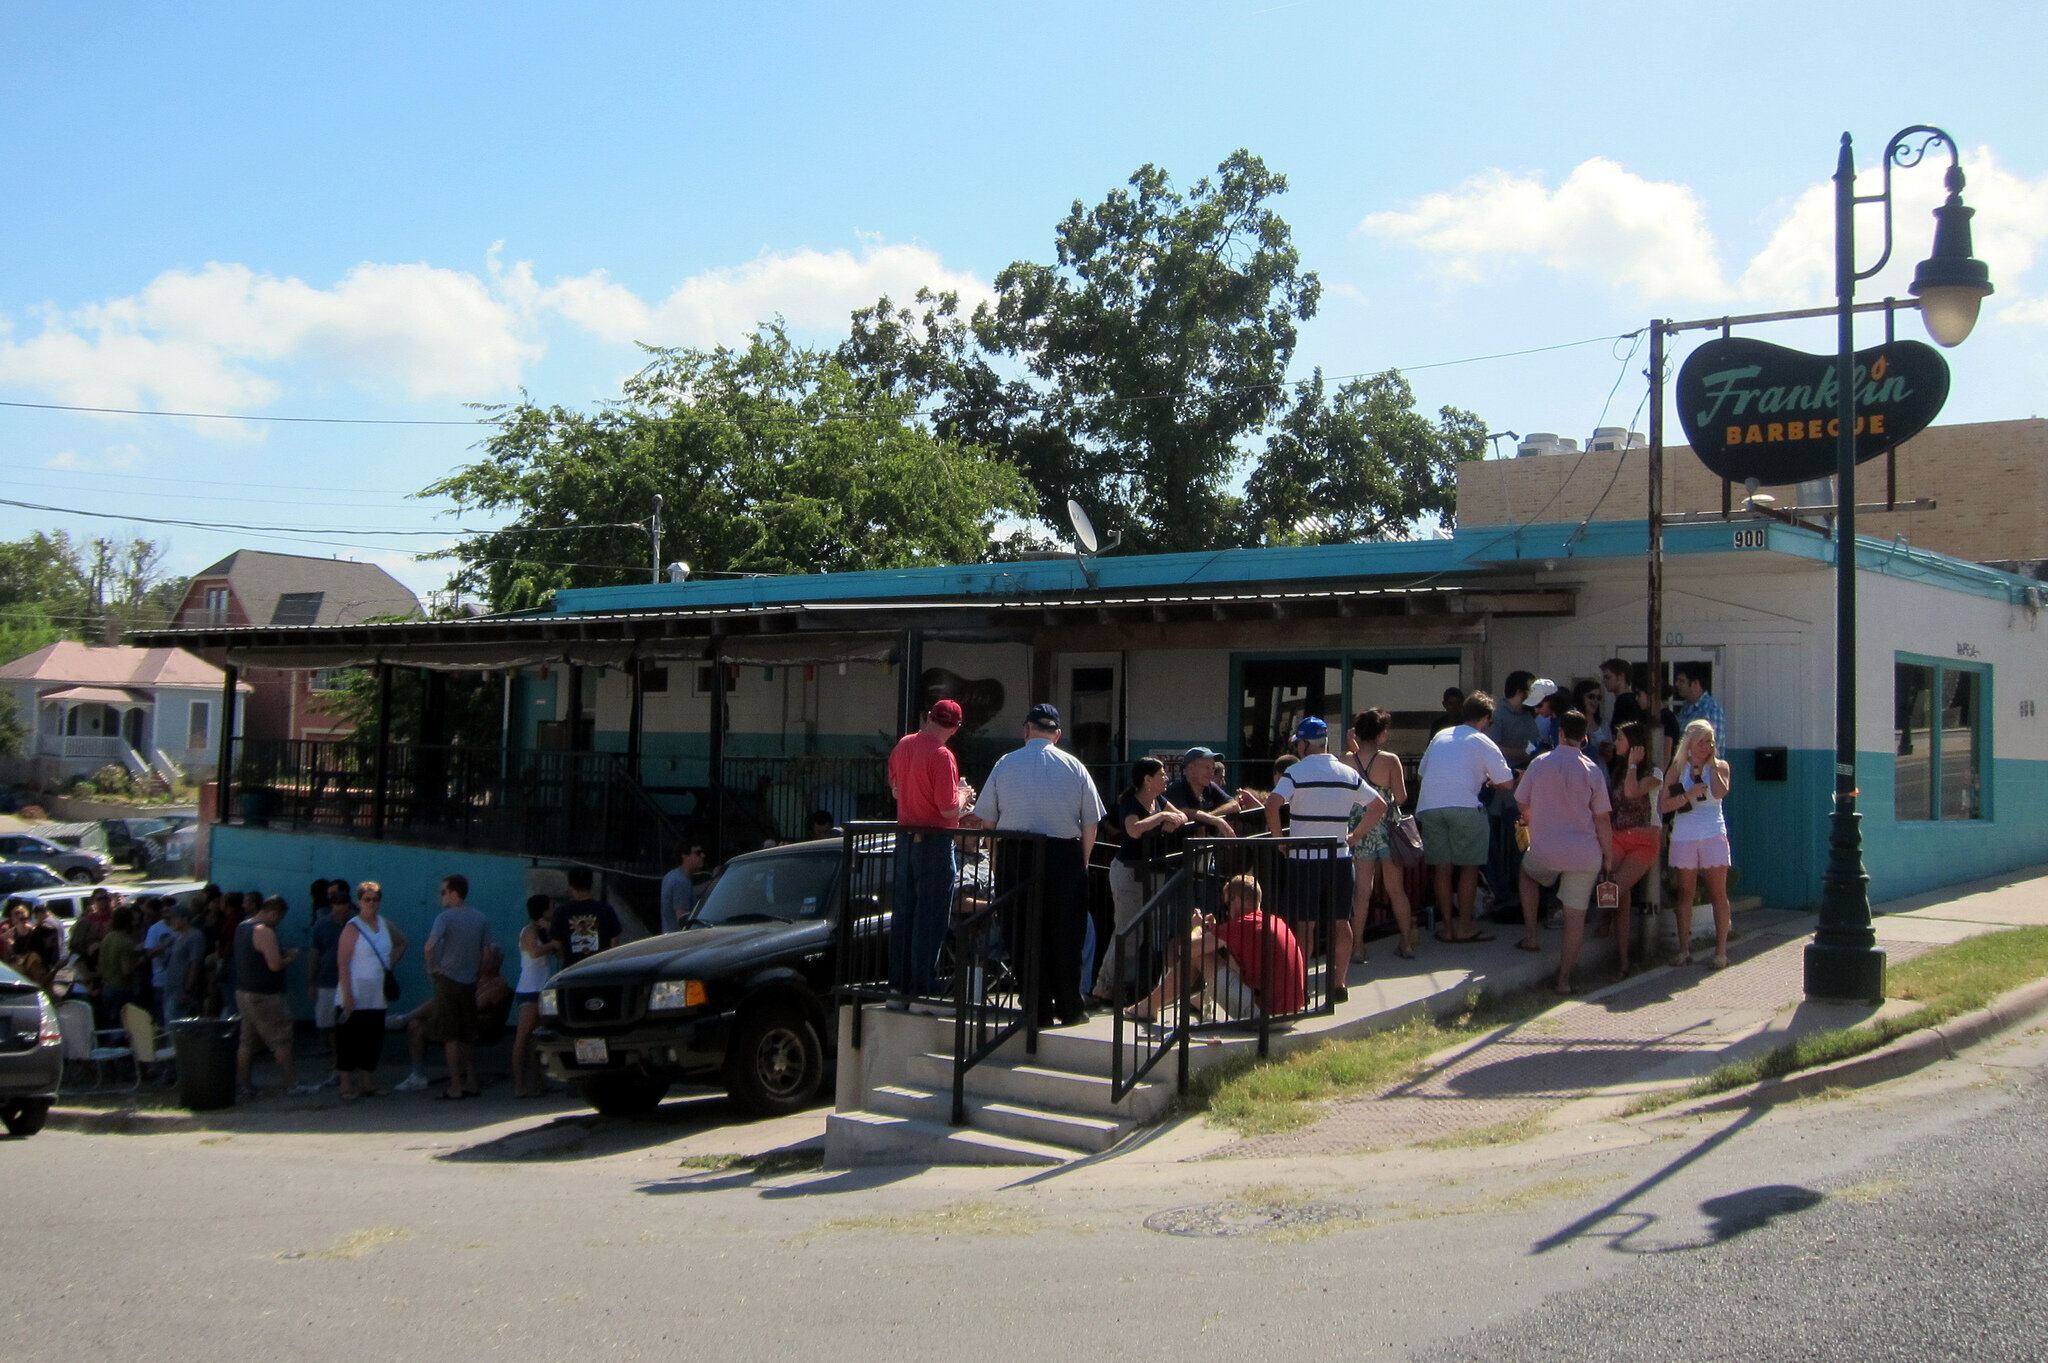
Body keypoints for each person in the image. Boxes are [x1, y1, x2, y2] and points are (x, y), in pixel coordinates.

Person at [972, 703, 1105, 1027]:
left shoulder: (1005, 763)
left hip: (1017, 854)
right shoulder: (1075, 766)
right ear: (1057, 735)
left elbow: (987, 821)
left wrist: (996, 858)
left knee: (1022, 934)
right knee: (1066, 935)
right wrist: (1082, 862)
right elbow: (1091, 822)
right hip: (1064, 855)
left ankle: (1035, 1007)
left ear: (1026, 729)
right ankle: (1071, 1006)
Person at [1265, 716, 1380, 1003]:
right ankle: (1338, 984)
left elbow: (1272, 804)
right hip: (1339, 858)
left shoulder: (1295, 772)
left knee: (1305, 925)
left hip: (1303, 859)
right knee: (1342, 922)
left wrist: (1281, 841)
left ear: (1303, 744)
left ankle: (1301, 983)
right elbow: (1379, 805)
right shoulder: (1347, 773)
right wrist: (1354, 835)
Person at [1516, 710, 1614, 993]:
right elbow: (1602, 819)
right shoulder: (1592, 770)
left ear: (1560, 733)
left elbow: (1522, 802)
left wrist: (1534, 821)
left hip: (1545, 848)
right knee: (1575, 917)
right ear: (1584, 737)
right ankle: (1564, 980)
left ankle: (1532, 935)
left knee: (1527, 874)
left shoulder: (1539, 764)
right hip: (1584, 853)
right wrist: (1607, 856)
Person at [887, 698, 975, 1003]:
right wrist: (965, 795)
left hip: (905, 838)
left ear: (928, 717)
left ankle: (898, 986)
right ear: (955, 727)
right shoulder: (942, 755)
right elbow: (949, 809)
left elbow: (896, 790)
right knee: (931, 916)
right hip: (935, 842)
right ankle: (924, 988)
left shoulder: (903, 745)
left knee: (905, 914)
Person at [1132, 874, 1304, 1023]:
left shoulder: (1241, 924)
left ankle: (1149, 1006)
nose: (1228, 911)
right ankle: (1201, 1000)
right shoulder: (1273, 921)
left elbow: (1186, 950)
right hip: (1290, 1015)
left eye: (1228, 903)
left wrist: (1196, 928)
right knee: (1211, 955)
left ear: (1237, 900)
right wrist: (1211, 934)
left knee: (1197, 955)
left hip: (1263, 1016)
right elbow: (1234, 965)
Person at [1415, 691, 1516, 944]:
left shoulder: (1441, 735)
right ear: (1485, 719)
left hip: (1430, 806)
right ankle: (1465, 927)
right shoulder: (1482, 740)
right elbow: (1507, 782)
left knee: (1442, 868)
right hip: (1465, 807)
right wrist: (1488, 780)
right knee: (1469, 867)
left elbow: (1421, 774)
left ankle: (1447, 928)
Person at [1087, 758, 1187, 1006]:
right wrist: (1161, 817)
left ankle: (1133, 984)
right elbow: (1133, 829)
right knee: (1127, 930)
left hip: (1153, 871)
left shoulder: (1160, 800)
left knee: (1147, 932)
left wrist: (1170, 819)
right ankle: (1104, 985)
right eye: (1162, 775)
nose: (1166, 779)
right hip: (1129, 873)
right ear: (1147, 780)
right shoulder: (1130, 803)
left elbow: (1182, 816)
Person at [1345, 707, 1417, 959]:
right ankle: (1406, 943)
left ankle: (1357, 947)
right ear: (1381, 734)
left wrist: (1351, 743)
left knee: (1362, 893)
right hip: (1386, 828)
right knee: (1396, 889)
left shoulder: (1347, 760)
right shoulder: (1390, 760)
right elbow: (1401, 797)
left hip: (1360, 829)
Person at [1662, 718, 1733, 969]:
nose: (1707, 745)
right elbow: (1663, 805)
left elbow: (1721, 791)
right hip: (1685, 834)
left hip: (1713, 832)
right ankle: (1684, 950)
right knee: (1685, 893)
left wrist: (1711, 765)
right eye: (1702, 741)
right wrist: (1686, 796)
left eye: (1710, 741)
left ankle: (1721, 951)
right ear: (1690, 743)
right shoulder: (1677, 767)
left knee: (1718, 893)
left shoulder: (1720, 766)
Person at [235, 896, 316, 1097]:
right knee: (281, 1040)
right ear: (274, 913)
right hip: (266, 996)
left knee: (247, 1042)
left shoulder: (242, 927)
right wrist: (290, 957)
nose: (279, 923)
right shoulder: (264, 931)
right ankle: (292, 1084)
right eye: (279, 918)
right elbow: (274, 965)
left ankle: (244, 1084)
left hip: (244, 993)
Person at [334, 879, 405, 1100]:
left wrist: (389, 963)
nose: (371, 903)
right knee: (348, 1038)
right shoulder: (352, 927)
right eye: (367, 899)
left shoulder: (384, 924)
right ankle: (345, 1085)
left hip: (377, 993)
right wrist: (347, 996)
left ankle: (367, 1082)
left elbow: (402, 942)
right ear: (359, 901)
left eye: (375, 899)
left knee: (372, 1038)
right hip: (354, 991)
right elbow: (343, 963)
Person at [1604, 720, 1664, 977]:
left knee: (1616, 889)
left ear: (1634, 745)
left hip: (1644, 839)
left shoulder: (1653, 773)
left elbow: (1632, 792)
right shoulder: (1615, 771)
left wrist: (1631, 765)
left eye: (1620, 739)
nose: (1616, 742)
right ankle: (1623, 961)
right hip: (1618, 836)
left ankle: (1605, 922)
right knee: (1616, 895)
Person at [424, 874, 491, 1100]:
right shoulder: (480, 918)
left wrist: (432, 968)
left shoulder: (444, 918)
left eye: (443, 891)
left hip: (449, 979)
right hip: (469, 982)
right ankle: (471, 1080)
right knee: (467, 1035)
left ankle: (455, 1085)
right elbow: (487, 952)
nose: (441, 896)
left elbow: (429, 947)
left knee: (450, 1036)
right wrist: (480, 973)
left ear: (454, 893)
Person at [307, 882, 354, 1087]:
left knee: (348, 1027)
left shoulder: (357, 923)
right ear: (332, 907)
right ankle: (338, 1064)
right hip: (327, 979)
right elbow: (315, 953)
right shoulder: (322, 924)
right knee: (328, 1026)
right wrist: (312, 981)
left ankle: (346, 1067)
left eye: (345, 910)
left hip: (351, 982)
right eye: (338, 909)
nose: (342, 914)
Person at [511, 895, 558, 1098]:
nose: (553, 909)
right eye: (550, 907)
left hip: (542, 987)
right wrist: (553, 943)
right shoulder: (529, 931)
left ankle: (538, 1082)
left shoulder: (544, 931)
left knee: (536, 1040)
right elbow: (534, 952)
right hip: (529, 989)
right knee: (522, 1038)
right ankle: (519, 1085)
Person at [1163, 747, 1258, 840]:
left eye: (1212, 768)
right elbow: (1183, 811)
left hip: (1200, 849)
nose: (1211, 773)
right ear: (1191, 768)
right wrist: (1216, 821)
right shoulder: (1176, 788)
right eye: (1207, 767)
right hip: (1177, 851)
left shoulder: (1210, 786)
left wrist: (1209, 816)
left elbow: (1234, 805)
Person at [549, 867, 620, 970]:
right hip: (600, 970)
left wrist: (567, 961)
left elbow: (556, 944)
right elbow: (614, 942)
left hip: (573, 971)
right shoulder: (606, 909)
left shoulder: (561, 912)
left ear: (570, 886)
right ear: (591, 884)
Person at [162, 902, 210, 1023]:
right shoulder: (178, 937)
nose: (171, 921)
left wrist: (187, 990)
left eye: (174, 918)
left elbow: (195, 964)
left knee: (181, 1028)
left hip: (183, 992)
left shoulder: (195, 936)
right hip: (171, 990)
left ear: (184, 918)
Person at [1672, 662, 1726, 751]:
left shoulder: (1711, 710)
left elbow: (1713, 749)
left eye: (1681, 681)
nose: (1677, 684)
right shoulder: (1685, 709)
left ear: (1695, 683)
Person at [659, 842, 707, 934]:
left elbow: (691, 891)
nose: (702, 855)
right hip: (680, 939)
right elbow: (682, 919)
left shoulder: (670, 876)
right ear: (684, 856)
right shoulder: (681, 882)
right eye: (697, 853)